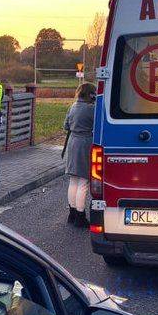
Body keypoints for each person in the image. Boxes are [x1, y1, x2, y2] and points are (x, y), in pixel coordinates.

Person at [63, 82, 97, 227]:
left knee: (73, 180)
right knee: (83, 182)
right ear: (91, 94)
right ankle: (80, 216)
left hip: (73, 142)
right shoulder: (92, 109)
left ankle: (72, 214)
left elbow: (66, 126)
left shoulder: (73, 106)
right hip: (85, 143)